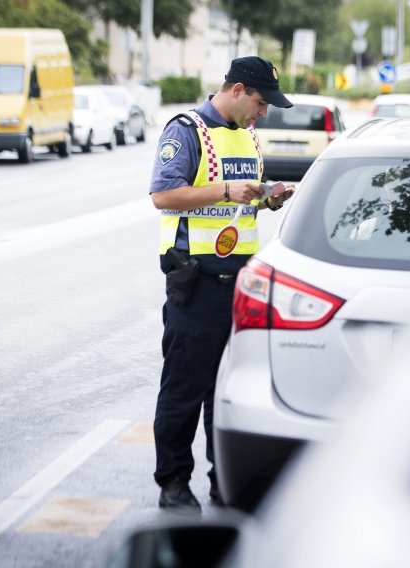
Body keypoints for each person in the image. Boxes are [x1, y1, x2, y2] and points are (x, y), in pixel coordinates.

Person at [148, 56, 294, 513]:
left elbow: (239, 208)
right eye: (260, 100)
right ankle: (173, 482)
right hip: (198, 284)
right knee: (185, 389)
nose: (264, 111)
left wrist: (268, 198)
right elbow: (163, 195)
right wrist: (227, 192)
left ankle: (222, 478)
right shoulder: (186, 130)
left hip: (241, 285)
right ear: (235, 90)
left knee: (226, 390)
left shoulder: (247, 135)